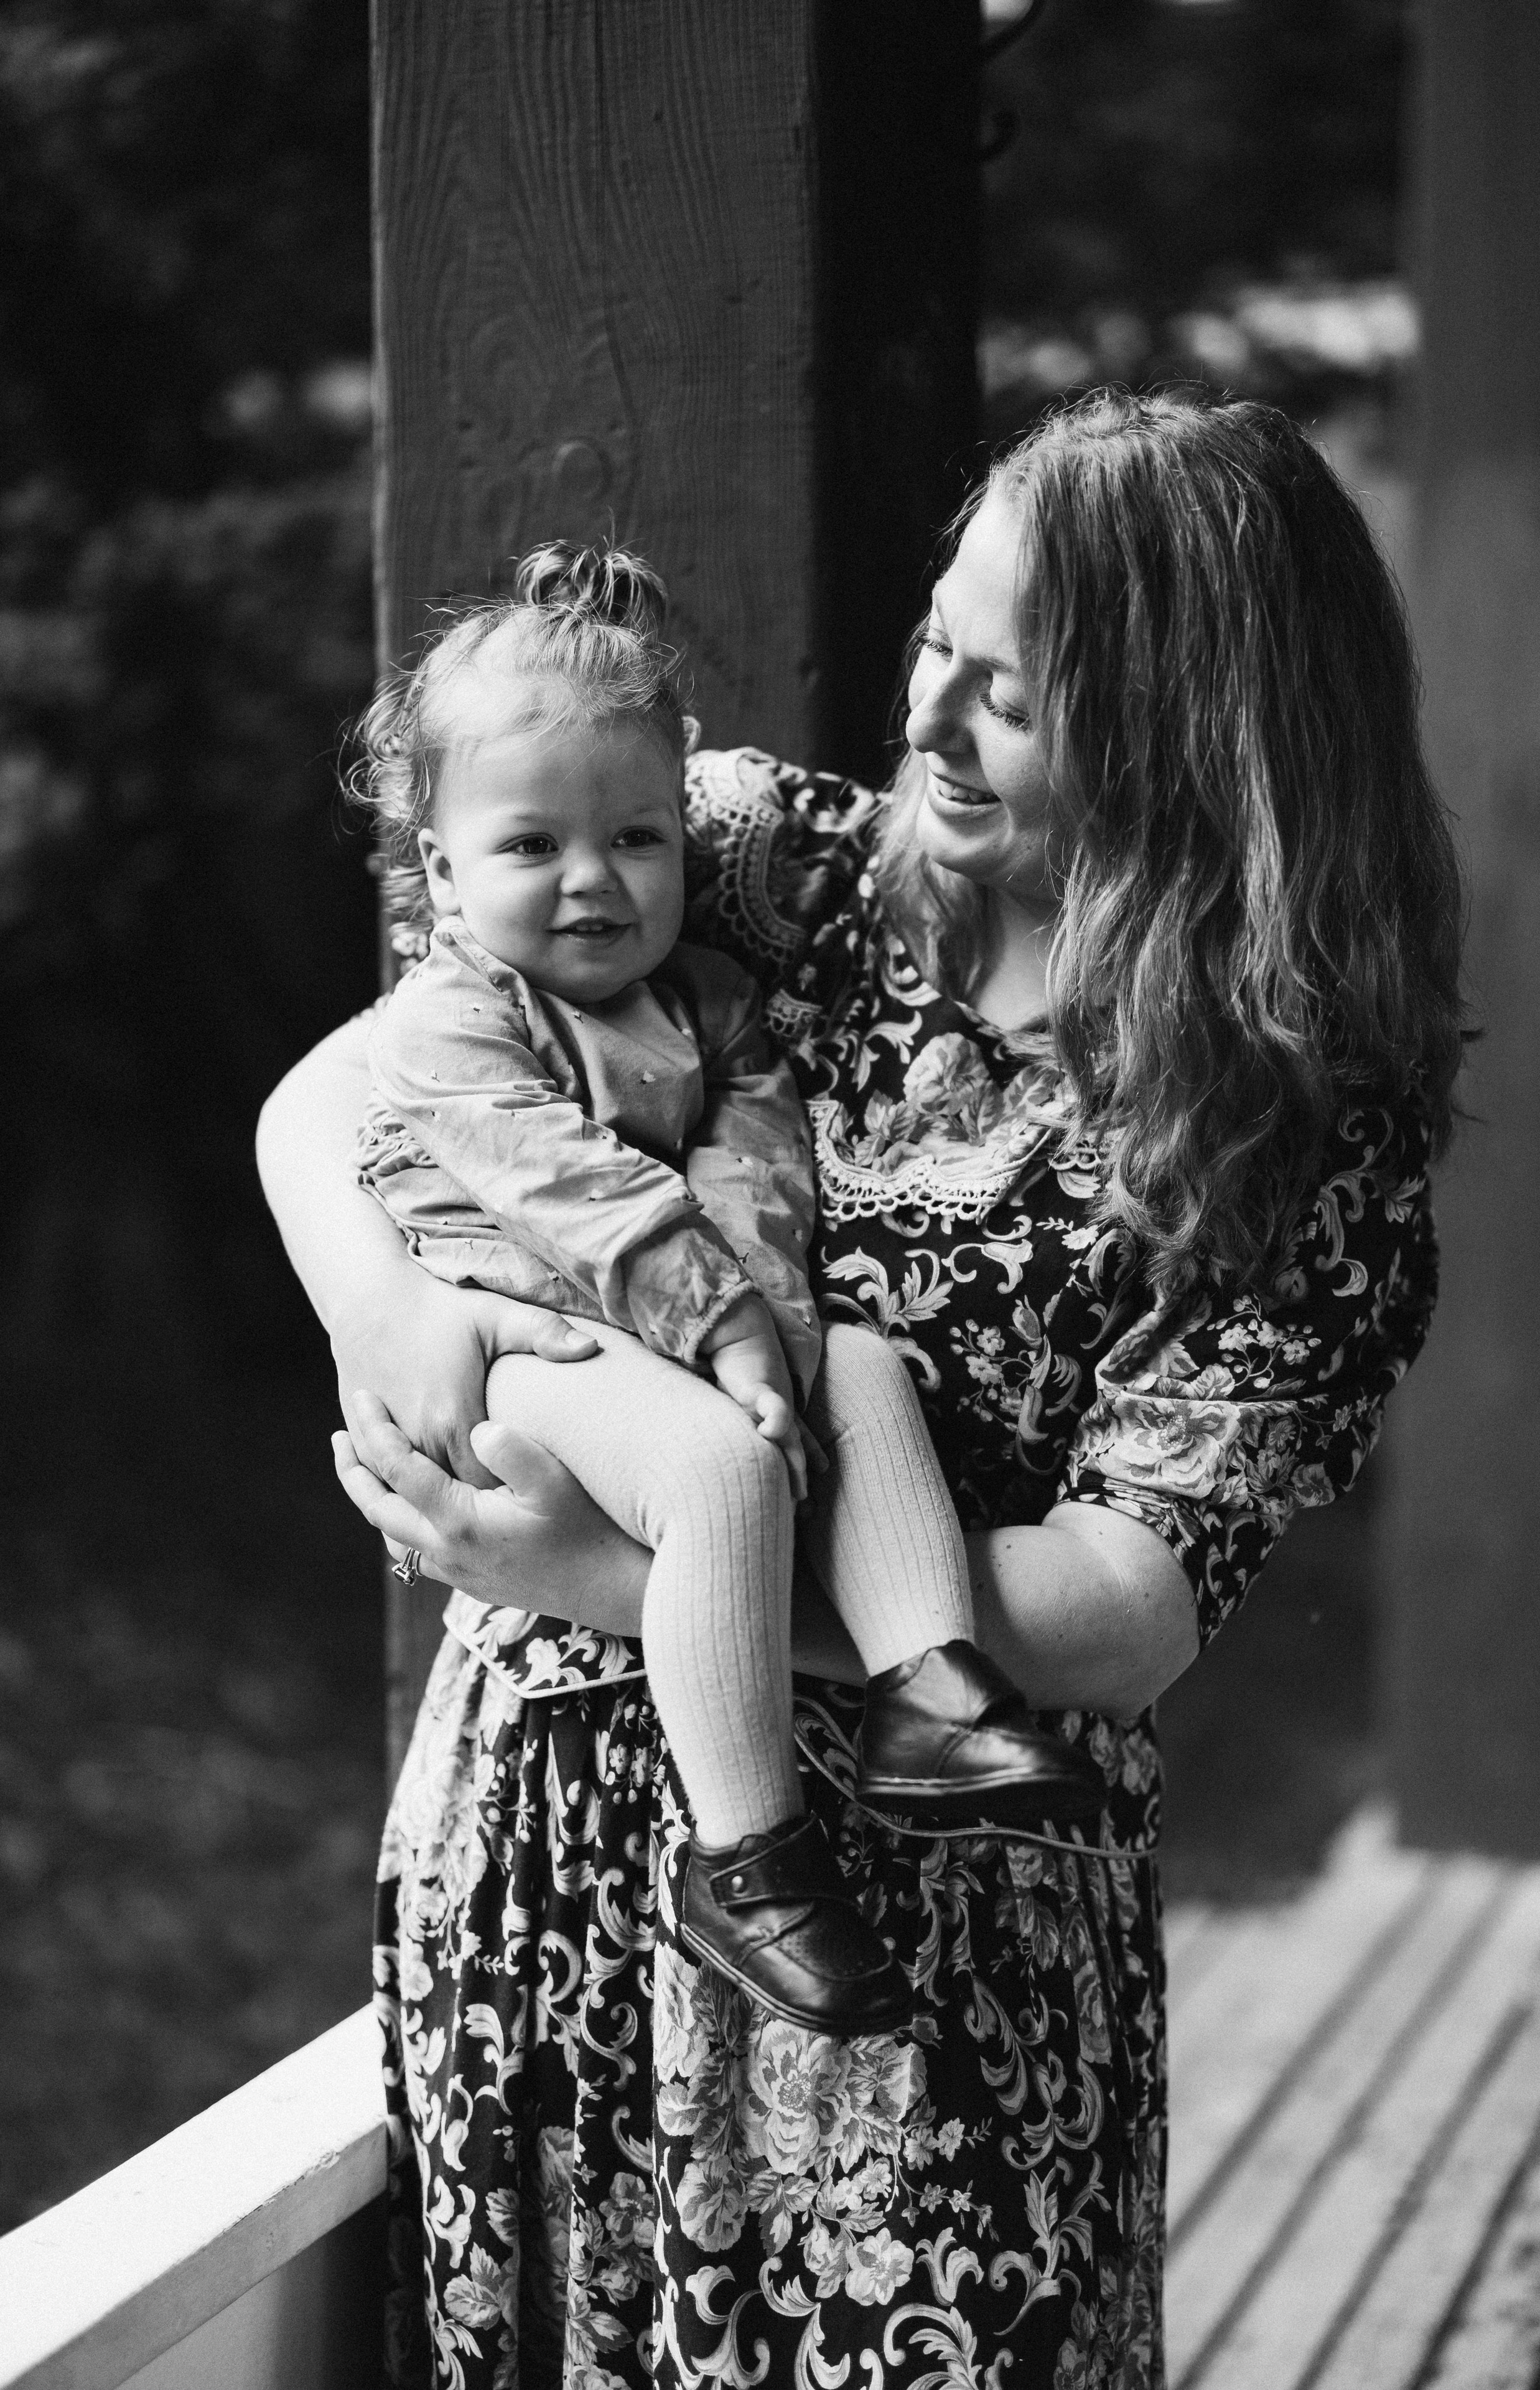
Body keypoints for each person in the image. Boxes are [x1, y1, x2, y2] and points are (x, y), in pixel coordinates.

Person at [258, 390, 1463, 2389]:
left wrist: (633, 1578)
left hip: (934, 1968)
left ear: (1190, 727)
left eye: (1013, 689)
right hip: (553, 1872)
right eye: (934, 643)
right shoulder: (758, 860)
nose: (927, 715)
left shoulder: (1292, 1125)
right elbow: (357, 1080)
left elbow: (1128, 1604)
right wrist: (384, 1304)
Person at [347, 537, 1096, 2035]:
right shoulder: (446, 1022)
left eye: (634, 837)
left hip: (671, 1329)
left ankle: (927, 1685)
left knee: (862, 1369)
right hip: (535, 1339)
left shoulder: (710, 997)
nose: (590, 881)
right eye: (528, 847)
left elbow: (756, 1168)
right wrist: (726, 1341)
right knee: (719, 1472)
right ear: (438, 870)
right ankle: (746, 1857)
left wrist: (774, 1334)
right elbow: (582, 1196)